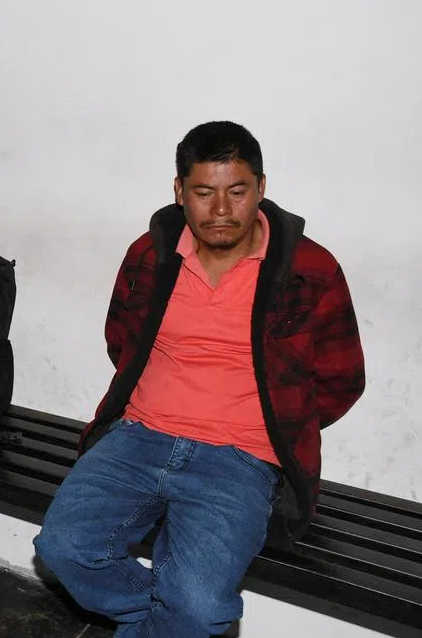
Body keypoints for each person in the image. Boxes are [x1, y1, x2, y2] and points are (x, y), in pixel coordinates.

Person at [33, 121, 365, 637]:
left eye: (238, 191)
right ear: (180, 191)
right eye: (205, 192)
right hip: (139, 436)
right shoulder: (150, 255)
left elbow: (342, 378)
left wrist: (274, 424)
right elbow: (121, 340)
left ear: (261, 187)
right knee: (64, 547)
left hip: (240, 459)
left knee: (200, 606)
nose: (222, 209)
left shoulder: (310, 269)